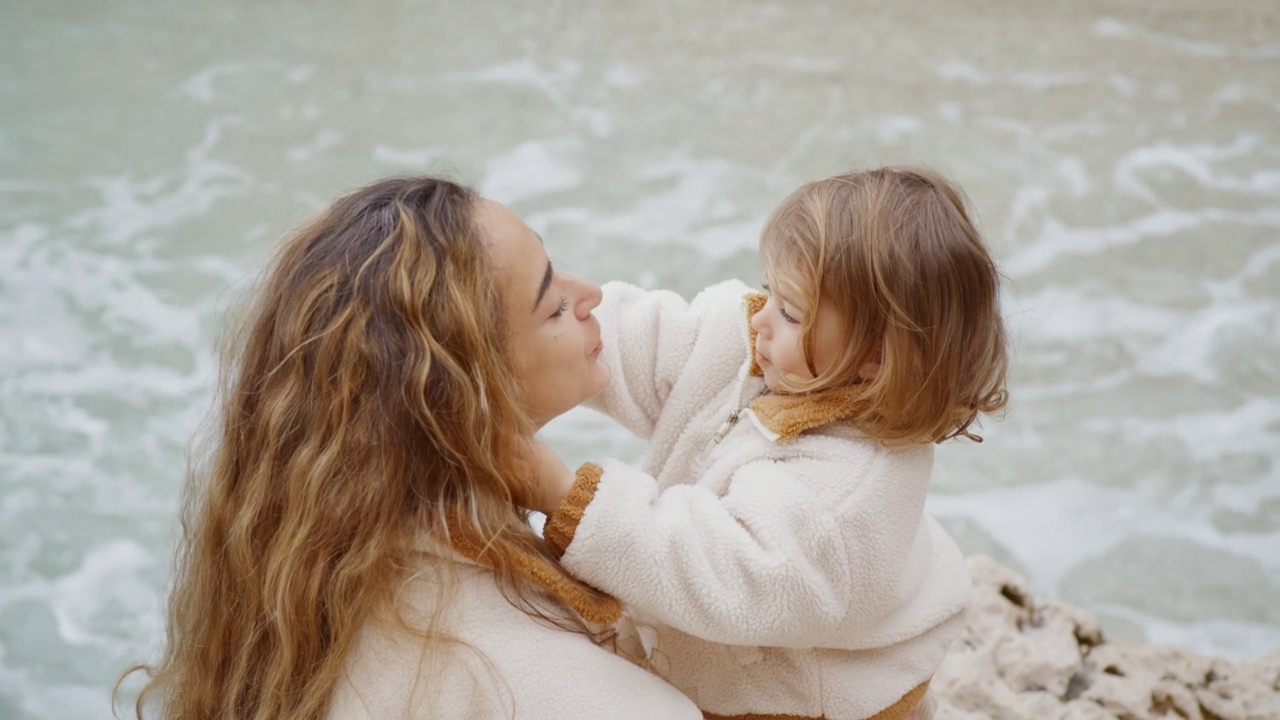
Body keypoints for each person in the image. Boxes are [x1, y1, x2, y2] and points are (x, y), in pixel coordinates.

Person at [118, 177, 703, 720]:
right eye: (551, 304)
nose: (591, 294)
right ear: (469, 395)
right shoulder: (553, 686)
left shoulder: (299, 598)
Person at [529, 167, 1009, 720]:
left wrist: (569, 497)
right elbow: (646, 340)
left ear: (875, 357)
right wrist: (545, 327)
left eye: (790, 310)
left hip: (793, 705)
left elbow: (725, 572)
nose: (760, 317)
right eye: (770, 288)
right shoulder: (755, 348)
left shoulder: (848, 487)